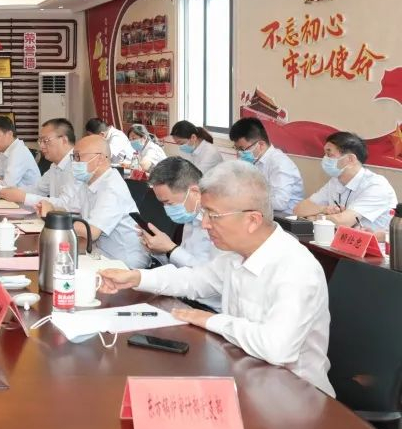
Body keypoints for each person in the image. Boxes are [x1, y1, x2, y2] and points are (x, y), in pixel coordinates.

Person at [99, 162, 333, 397]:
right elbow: (193, 280)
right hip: (244, 373)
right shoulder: (235, 255)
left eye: (214, 215)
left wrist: (211, 320)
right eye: (205, 213)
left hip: (295, 394)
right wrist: (136, 277)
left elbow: (277, 348)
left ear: (252, 220)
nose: (205, 224)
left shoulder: (296, 268)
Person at [66, 133, 150, 269]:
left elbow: (92, 232)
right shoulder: (89, 181)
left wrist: (56, 220)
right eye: (73, 157)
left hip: (125, 263)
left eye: (78, 156)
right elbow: (69, 210)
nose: (74, 162)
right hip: (100, 253)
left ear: (99, 159)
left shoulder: (112, 187)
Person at [294, 132, 397, 231]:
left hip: (375, 242)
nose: (325, 158)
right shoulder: (335, 181)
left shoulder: (376, 185)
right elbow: (298, 210)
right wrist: (324, 209)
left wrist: (313, 217)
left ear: (350, 159)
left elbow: (343, 222)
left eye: (329, 154)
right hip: (339, 239)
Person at [141, 158, 220, 273]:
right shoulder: (191, 216)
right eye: (163, 204)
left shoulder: (219, 222)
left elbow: (211, 277)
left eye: (169, 203)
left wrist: (170, 247)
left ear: (194, 192)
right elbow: (180, 267)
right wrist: (160, 251)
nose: (166, 209)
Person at [0, 118, 80, 212]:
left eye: (45, 140)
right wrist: (13, 191)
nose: (41, 146)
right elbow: (38, 189)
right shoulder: (55, 166)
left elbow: (66, 204)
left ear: (64, 140)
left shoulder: (78, 165)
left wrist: (24, 197)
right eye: (40, 141)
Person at [229, 117, 303, 217]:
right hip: (263, 214)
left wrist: (247, 198)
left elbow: (279, 203)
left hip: (284, 218)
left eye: (242, 149)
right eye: (237, 148)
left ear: (261, 144)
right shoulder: (254, 160)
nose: (239, 153)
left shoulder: (280, 163)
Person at [0, 117, 42, 189]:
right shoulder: (5, 151)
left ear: (9, 134)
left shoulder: (19, 152)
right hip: (14, 194)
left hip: (28, 195)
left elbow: (6, 187)